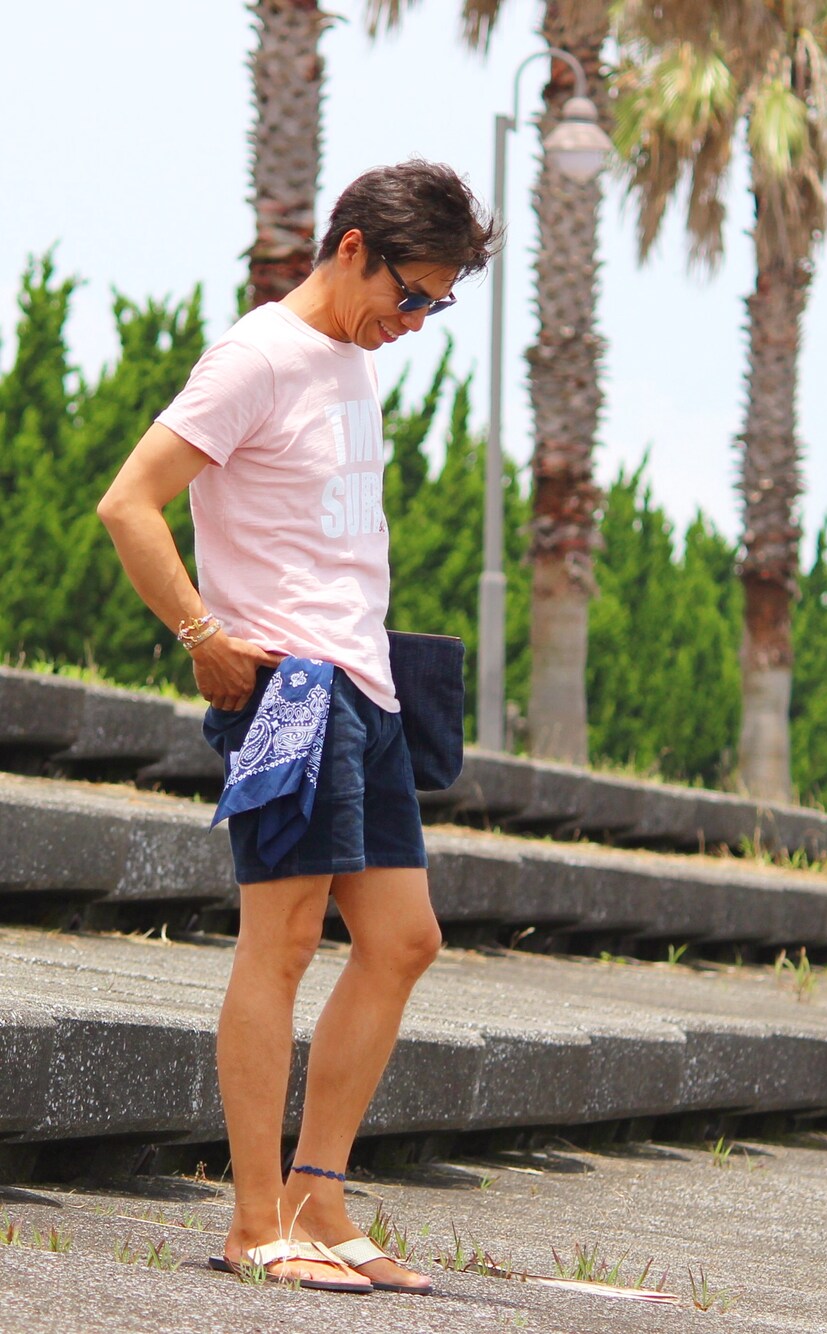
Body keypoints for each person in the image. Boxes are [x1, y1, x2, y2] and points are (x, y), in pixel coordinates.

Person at [98, 161, 499, 1295]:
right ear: (353, 246)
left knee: (404, 938)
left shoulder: (349, 359)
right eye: (409, 295)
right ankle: (252, 1221)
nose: (412, 323)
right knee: (277, 944)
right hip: (291, 692)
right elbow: (129, 500)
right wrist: (200, 633)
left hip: (368, 686)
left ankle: (320, 1199)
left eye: (435, 307)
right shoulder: (258, 357)